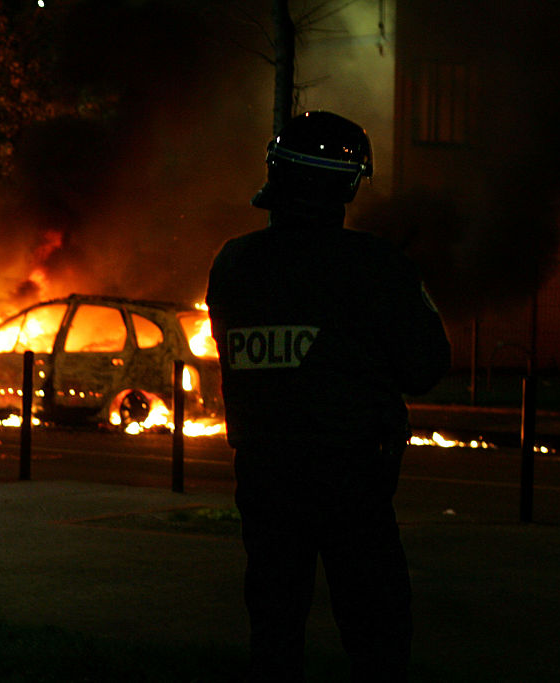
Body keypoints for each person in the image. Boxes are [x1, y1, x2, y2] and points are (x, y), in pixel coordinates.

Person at [205, 111, 450, 682]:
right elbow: (425, 367)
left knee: (274, 624)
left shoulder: (233, 263)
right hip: (352, 475)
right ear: (347, 185)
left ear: (276, 173)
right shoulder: (375, 266)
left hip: (263, 474)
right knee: (376, 627)